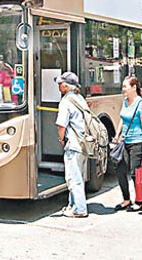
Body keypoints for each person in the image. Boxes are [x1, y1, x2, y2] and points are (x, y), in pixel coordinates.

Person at [113, 75, 142, 212]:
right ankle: (126, 199)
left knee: (136, 174)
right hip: (125, 142)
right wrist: (117, 136)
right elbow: (122, 120)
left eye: (125, 86)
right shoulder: (125, 101)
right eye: (123, 86)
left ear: (134, 88)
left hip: (137, 142)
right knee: (120, 169)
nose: (123, 89)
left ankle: (139, 201)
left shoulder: (141, 105)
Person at [55, 71, 88, 218]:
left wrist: (61, 140)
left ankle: (79, 209)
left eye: (60, 83)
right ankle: (73, 205)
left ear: (67, 86)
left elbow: (61, 125)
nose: (58, 85)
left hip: (73, 144)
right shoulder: (80, 98)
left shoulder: (66, 102)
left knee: (73, 178)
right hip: (83, 144)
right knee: (78, 176)